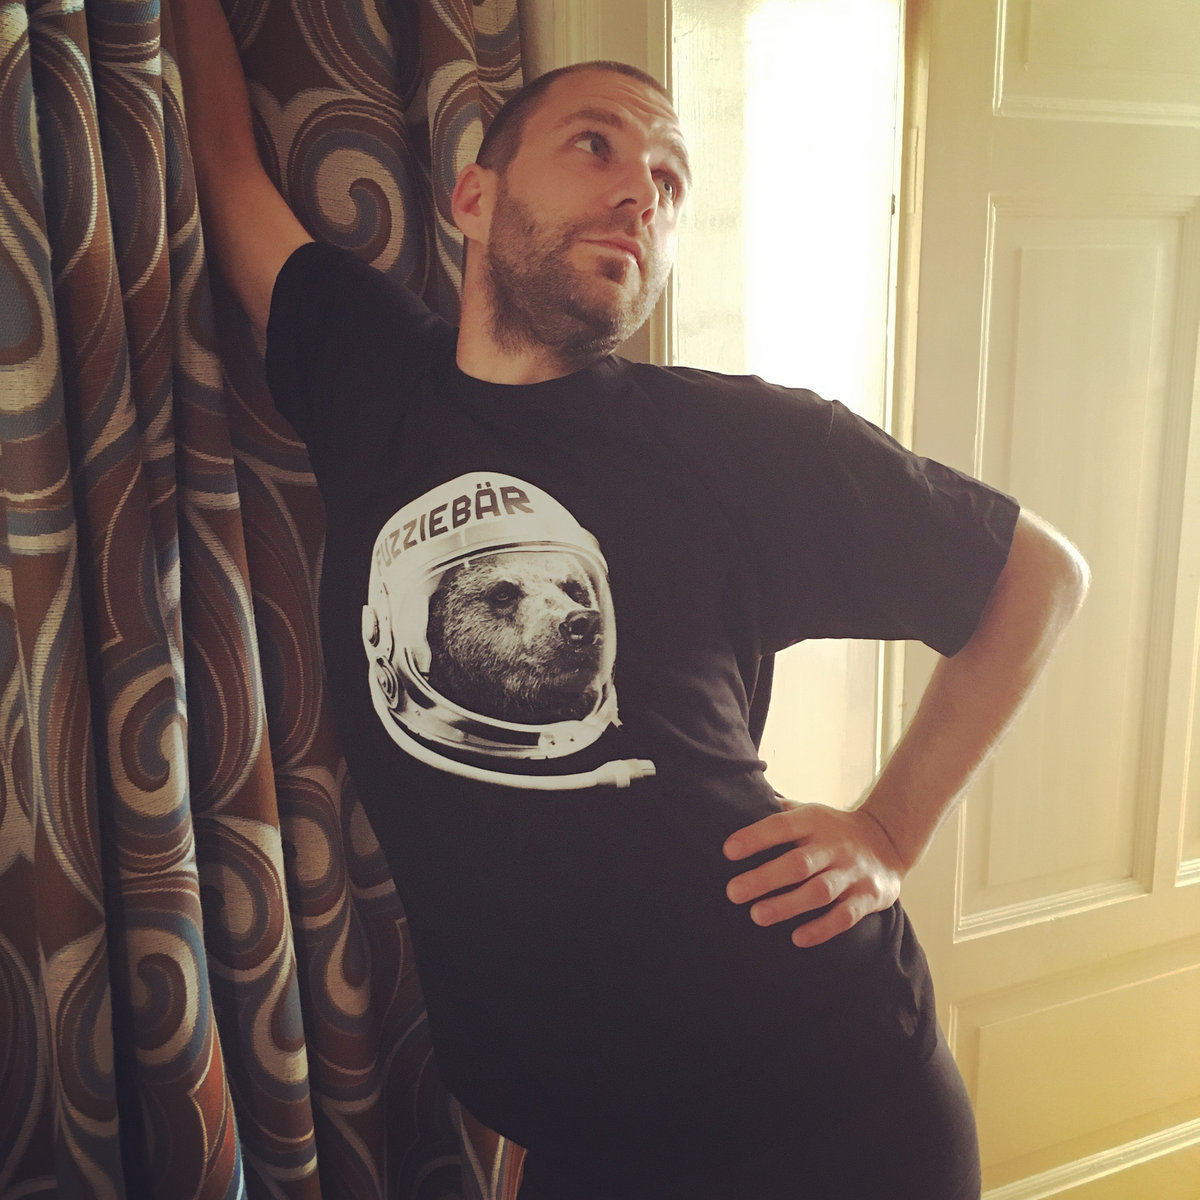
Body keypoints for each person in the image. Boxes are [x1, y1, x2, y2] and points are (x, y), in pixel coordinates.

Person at [175, 6, 1089, 1198]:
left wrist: (887, 831)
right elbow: (225, 167)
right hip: (576, 1134)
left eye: (669, 180)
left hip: (832, 1103)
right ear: (472, 197)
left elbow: (1036, 575)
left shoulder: (739, 442)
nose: (639, 194)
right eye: (596, 145)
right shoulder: (369, 376)